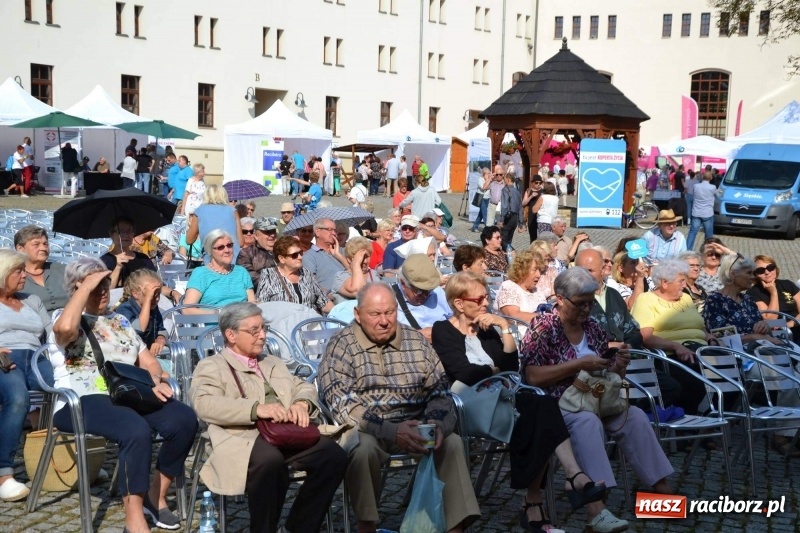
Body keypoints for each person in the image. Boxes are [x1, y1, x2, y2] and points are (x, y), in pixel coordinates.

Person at [432, 272, 609, 531]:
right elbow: (464, 373)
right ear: (459, 303)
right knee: (539, 410)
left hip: (503, 399)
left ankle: (566, 479)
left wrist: (503, 328)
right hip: (469, 404)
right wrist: (494, 371)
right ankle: (548, 495)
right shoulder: (442, 330)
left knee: (542, 408)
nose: (486, 303)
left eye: (487, 297)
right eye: (480, 298)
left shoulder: (488, 329)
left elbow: (512, 367)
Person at [319, 282, 480, 533]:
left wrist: (436, 423)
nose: (384, 321)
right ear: (358, 315)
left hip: (417, 424)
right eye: (375, 314)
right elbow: (342, 404)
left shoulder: (416, 341)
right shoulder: (341, 345)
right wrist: (391, 430)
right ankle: (366, 523)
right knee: (361, 450)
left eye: (390, 312)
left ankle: (454, 526)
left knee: (452, 443)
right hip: (370, 429)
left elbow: (439, 389)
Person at [50, 257, 197, 533]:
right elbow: (65, 332)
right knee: (135, 429)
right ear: (76, 289)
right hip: (81, 399)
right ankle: (134, 517)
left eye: (105, 284)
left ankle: (156, 496)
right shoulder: (64, 317)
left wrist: (155, 380)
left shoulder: (118, 320)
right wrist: (86, 288)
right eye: (96, 287)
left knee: (184, 419)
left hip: (128, 394)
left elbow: (148, 361)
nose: (104, 290)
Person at [521, 268, 673, 531]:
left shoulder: (594, 328)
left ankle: (663, 495)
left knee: (634, 416)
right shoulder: (543, 326)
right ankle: (597, 510)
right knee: (586, 422)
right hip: (556, 403)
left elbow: (606, 372)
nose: (586, 310)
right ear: (560, 298)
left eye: (591, 303)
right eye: (580, 304)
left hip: (595, 398)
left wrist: (619, 366)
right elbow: (532, 376)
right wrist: (578, 364)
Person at [189, 302, 347, 533]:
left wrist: (302, 403)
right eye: (254, 331)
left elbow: (302, 386)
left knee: (333, 456)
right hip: (242, 436)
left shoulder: (272, 362)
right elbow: (204, 404)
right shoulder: (212, 366)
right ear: (231, 335)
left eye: (263, 328)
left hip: (285, 431)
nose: (262, 336)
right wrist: (256, 409)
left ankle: (297, 528)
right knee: (270, 461)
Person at [0, 250, 53, 502]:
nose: (25, 275)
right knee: (18, 397)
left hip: (37, 357)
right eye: (18, 271)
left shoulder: (32, 299)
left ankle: (71, 458)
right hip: (4, 360)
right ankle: (4, 473)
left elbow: (52, 331)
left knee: (63, 390)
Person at [631, 260, 715, 417]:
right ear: (664, 282)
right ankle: (690, 420)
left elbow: (698, 325)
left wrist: (709, 336)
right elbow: (645, 336)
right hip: (669, 357)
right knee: (696, 374)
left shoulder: (686, 298)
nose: (685, 285)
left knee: (735, 369)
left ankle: (712, 414)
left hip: (701, 350)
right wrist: (675, 346)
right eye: (681, 281)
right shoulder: (646, 300)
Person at [576, 249, 644, 350]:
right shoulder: (574, 299)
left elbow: (633, 330)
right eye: (580, 271)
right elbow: (571, 337)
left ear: (603, 270)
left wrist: (627, 346)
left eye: (590, 271)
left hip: (624, 357)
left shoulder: (614, 295)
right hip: (591, 359)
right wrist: (606, 346)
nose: (584, 275)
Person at [257, 236, 333, 315]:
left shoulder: (306, 274)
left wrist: (340, 313)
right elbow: (262, 307)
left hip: (310, 322)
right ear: (282, 258)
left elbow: (324, 303)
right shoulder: (268, 276)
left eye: (300, 253)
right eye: (294, 255)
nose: (300, 257)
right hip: (284, 324)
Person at [183, 230, 255, 311]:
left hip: (243, 321)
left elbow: (252, 304)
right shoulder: (201, 274)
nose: (227, 250)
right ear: (210, 251)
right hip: (215, 321)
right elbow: (187, 309)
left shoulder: (241, 272)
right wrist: (216, 315)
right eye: (220, 247)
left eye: (229, 245)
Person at [393, 254, 452, 341]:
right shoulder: (389, 301)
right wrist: (418, 336)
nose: (425, 295)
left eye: (429, 289)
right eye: (419, 290)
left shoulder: (437, 292)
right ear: (403, 283)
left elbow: (457, 321)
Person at [14, 225, 69, 312]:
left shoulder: (63, 270)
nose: (43, 248)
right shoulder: (12, 276)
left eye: (45, 244)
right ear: (20, 249)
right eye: (36, 244)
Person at [115, 269, 168, 357]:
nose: (157, 298)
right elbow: (139, 329)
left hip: (149, 356)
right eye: (152, 294)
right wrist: (148, 299)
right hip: (130, 357)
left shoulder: (153, 308)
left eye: (158, 294)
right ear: (135, 294)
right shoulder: (124, 309)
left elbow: (161, 329)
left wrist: (160, 339)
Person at [748, 254, 800, 342]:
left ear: (775, 268)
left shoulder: (787, 284)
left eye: (770, 267)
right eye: (760, 270)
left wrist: (791, 324)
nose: (767, 272)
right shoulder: (753, 292)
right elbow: (771, 320)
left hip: (796, 325)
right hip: (776, 334)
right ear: (755, 274)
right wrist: (773, 293)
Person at [187, 185, 243, 263]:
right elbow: (240, 242)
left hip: (211, 261)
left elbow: (189, 240)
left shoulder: (199, 211)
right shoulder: (233, 211)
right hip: (233, 260)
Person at [100, 216, 158, 290]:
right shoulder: (104, 261)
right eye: (120, 231)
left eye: (129, 231)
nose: (125, 235)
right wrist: (118, 267)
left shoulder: (143, 258)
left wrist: (172, 292)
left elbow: (156, 283)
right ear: (111, 234)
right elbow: (106, 291)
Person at [495, 249, 547, 324]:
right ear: (522, 270)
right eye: (535, 270)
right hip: (519, 333)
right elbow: (513, 317)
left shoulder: (537, 290)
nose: (538, 275)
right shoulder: (509, 287)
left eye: (540, 270)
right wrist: (545, 317)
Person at [302, 218, 348, 295]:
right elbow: (311, 284)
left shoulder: (343, 251)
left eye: (334, 230)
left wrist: (339, 256)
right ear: (317, 232)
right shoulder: (309, 256)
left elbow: (355, 272)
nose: (334, 233)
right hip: (329, 299)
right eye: (330, 230)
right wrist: (327, 295)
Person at [236, 217, 278, 292]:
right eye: (267, 232)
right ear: (256, 236)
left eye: (273, 231)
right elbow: (251, 278)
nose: (272, 235)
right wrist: (278, 283)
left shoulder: (282, 251)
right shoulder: (247, 253)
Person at [686, 171, 717, 250]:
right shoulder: (713, 187)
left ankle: (687, 250)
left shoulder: (696, 186)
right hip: (708, 213)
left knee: (692, 233)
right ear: (711, 178)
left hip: (696, 212)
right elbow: (718, 196)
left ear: (702, 177)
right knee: (708, 235)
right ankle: (707, 250)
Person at [497, 173, 522, 248]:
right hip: (515, 218)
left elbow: (504, 206)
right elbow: (520, 207)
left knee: (503, 240)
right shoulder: (517, 191)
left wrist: (501, 220)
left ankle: (511, 254)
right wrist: (520, 223)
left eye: (505, 179)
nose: (504, 181)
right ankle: (508, 257)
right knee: (509, 240)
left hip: (508, 217)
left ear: (508, 180)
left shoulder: (505, 189)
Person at [520, 175, 543, 241]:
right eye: (536, 182)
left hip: (540, 216)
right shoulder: (528, 191)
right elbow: (523, 203)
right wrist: (531, 197)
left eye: (540, 183)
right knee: (533, 237)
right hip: (531, 216)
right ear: (532, 183)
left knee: (541, 237)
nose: (538, 184)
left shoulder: (543, 191)